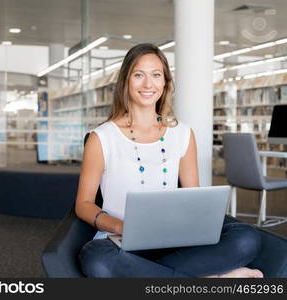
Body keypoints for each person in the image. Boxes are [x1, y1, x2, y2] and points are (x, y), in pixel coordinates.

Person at [75, 43, 263, 278]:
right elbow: (83, 204)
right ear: (125, 81)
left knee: (247, 238)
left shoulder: (183, 133)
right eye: (138, 75)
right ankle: (211, 277)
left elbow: (193, 198)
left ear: (165, 83)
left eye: (156, 75)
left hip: (176, 239)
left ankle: (158, 277)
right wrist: (120, 226)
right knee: (97, 260)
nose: (147, 84)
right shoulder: (101, 138)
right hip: (122, 241)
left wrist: (193, 225)